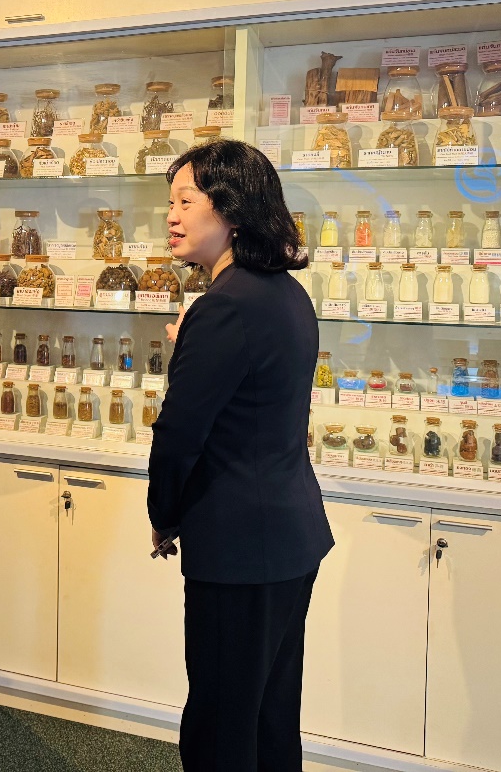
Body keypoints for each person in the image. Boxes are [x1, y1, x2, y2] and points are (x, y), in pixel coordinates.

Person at [147, 139, 334, 771]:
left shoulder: (222, 306)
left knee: (221, 727)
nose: (171, 216)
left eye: (185, 201)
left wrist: (163, 515)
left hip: (238, 546)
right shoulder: (286, 293)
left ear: (230, 209)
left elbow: (178, 434)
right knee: (270, 718)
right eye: (170, 202)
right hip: (289, 535)